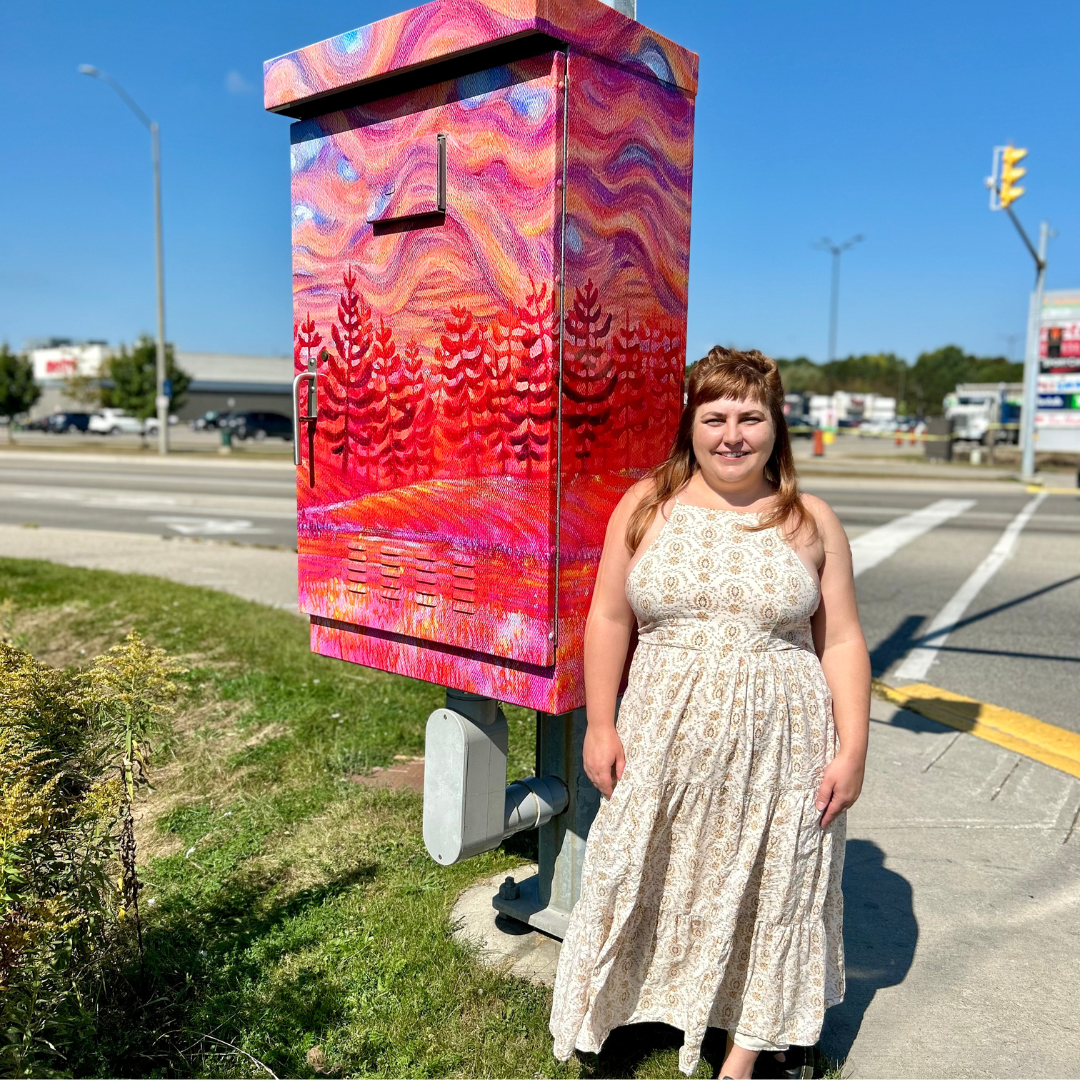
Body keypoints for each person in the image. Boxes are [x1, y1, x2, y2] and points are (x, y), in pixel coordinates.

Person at [549, 347, 870, 1079]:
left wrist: (853, 748)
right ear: (690, 426)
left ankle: (750, 1050)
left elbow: (843, 639)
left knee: (773, 883)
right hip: (661, 732)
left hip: (782, 743)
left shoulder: (809, 519)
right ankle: (625, 1013)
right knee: (638, 866)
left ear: (775, 426)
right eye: (715, 416)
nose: (733, 434)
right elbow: (607, 620)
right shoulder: (645, 507)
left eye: (750, 417)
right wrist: (601, 724)